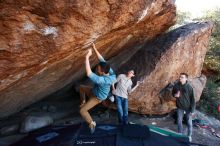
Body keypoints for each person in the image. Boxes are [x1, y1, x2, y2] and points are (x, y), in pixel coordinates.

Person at [79, 43, 116, 133]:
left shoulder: (102, 80)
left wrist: (87, 57)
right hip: (94, 91)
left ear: (102, 72)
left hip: (97, 98)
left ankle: (92, 123)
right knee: (81, 87)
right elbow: (102, 60)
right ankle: (83, 101)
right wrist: (95, 48)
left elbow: (89, 73)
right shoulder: (111, 73)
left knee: (82, 111)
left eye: (98, 69)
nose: (97, 69)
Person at [172, 73, 195, 142]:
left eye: (182, 77)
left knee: (189, 122)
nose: (180, 78)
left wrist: (192, 110)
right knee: (179, 121)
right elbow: (172, 93)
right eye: (180, 77)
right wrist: (175, 95)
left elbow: (192, 100)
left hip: (188, 107)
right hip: (180, 107)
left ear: (186, 79)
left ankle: (189, 136)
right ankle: (180, 134)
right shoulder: (176, 85)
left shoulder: (189, 87)